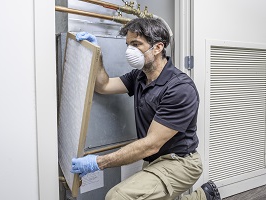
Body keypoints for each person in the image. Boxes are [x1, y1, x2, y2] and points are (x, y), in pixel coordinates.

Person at [71, 18, 221, 200]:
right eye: (128, 44)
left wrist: (98, 162)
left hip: (180, 162)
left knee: (118, 197)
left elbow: (151, 144)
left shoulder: (179, 88)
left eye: (136, 44)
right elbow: (104, 85)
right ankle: (204, 196)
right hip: (154, 160)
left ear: (158, 47)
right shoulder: (139, 76)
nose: (129, 51)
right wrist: (97, 54)